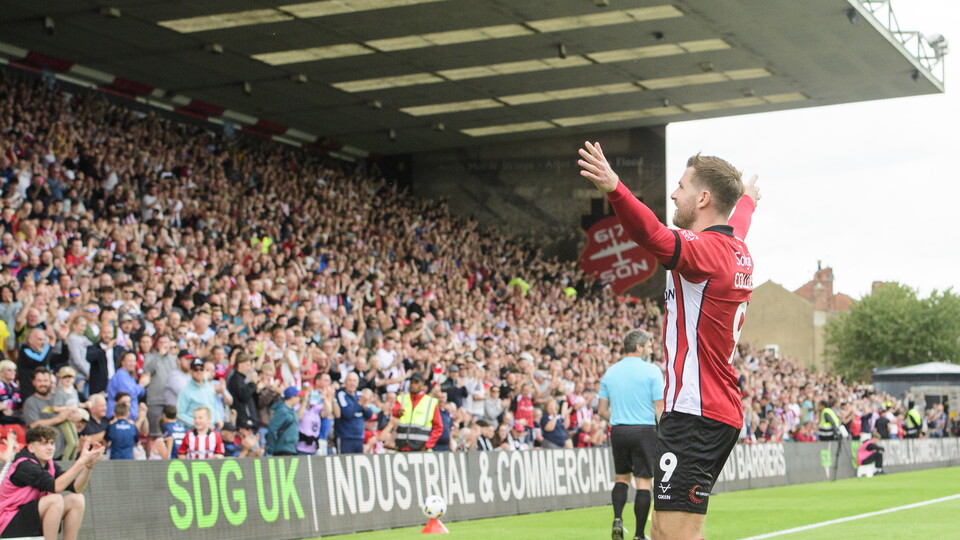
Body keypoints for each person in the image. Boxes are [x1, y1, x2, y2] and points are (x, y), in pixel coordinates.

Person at [579, 142, 759, 540]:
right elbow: (739, 222)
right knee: (663, 531)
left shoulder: (705, 252)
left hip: (696, 413)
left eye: (681, 186)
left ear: (703, 198)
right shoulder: (735, 249)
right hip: (708, 410)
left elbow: (651, 233)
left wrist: (615, 188)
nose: (674, 194)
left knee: (676, 536)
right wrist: (746, 200)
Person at [598, 329, 664, 540]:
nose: (651, 351)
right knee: (643, 482)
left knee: (621, 478)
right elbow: (659, 407)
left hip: (619, 430)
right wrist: (664, 434)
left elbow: (601, 409)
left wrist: (617, 418)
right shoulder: (652, 371)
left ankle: (617, 519)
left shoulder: (610, 372)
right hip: (644, 430)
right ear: (638, 347)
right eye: (649, 347)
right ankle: (638, 535)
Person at [0, 426, 104, 540]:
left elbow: (77, 488)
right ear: (31, 447)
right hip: (8, 523)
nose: (50, 448)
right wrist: (81, 461)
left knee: (77, 499)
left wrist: (88, 466)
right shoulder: (24, 465)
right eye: (44, 444)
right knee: (55, 500)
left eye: (52, 443)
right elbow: (56, 487)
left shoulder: (50, 464)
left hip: (30, 517)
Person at [21, 369, 67, 460]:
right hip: (42, 455)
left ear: (50, 382)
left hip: (63, 451)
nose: (43, 384)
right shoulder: (30, 402)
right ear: (34, 382)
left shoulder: (56, 398)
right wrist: (58, 419)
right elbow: (33, 425)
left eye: (45, 380)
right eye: (39, 381)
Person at [391, 372, 443, 452]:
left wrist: (427, 445)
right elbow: (394, 412)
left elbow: (438, 427)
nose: (412, 385)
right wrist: (398, 412)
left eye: (416, 382)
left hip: (420, 448)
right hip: (402, 446)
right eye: (411, 382)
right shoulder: (402, 399)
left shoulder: (430, 402)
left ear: (422, 384)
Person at [332, 372, 372, 454]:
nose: (352, 383)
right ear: (345, 382)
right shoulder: (341, 394)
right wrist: (360, 404)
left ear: (357, 383)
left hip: (359, 436)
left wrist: (364, 406)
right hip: (345, 436)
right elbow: (347, 413)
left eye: (354, 381)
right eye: (349, 380)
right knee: (344, 460)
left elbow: (369, 415)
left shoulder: (360, 394)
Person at [266, 386, 299, 456]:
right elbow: (272, 429)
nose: (299, 398)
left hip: (291, 448)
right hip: (282, 449)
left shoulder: (292, 410)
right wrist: (272, 448)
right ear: (292, 397)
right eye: (297, 396)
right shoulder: (282, 411)